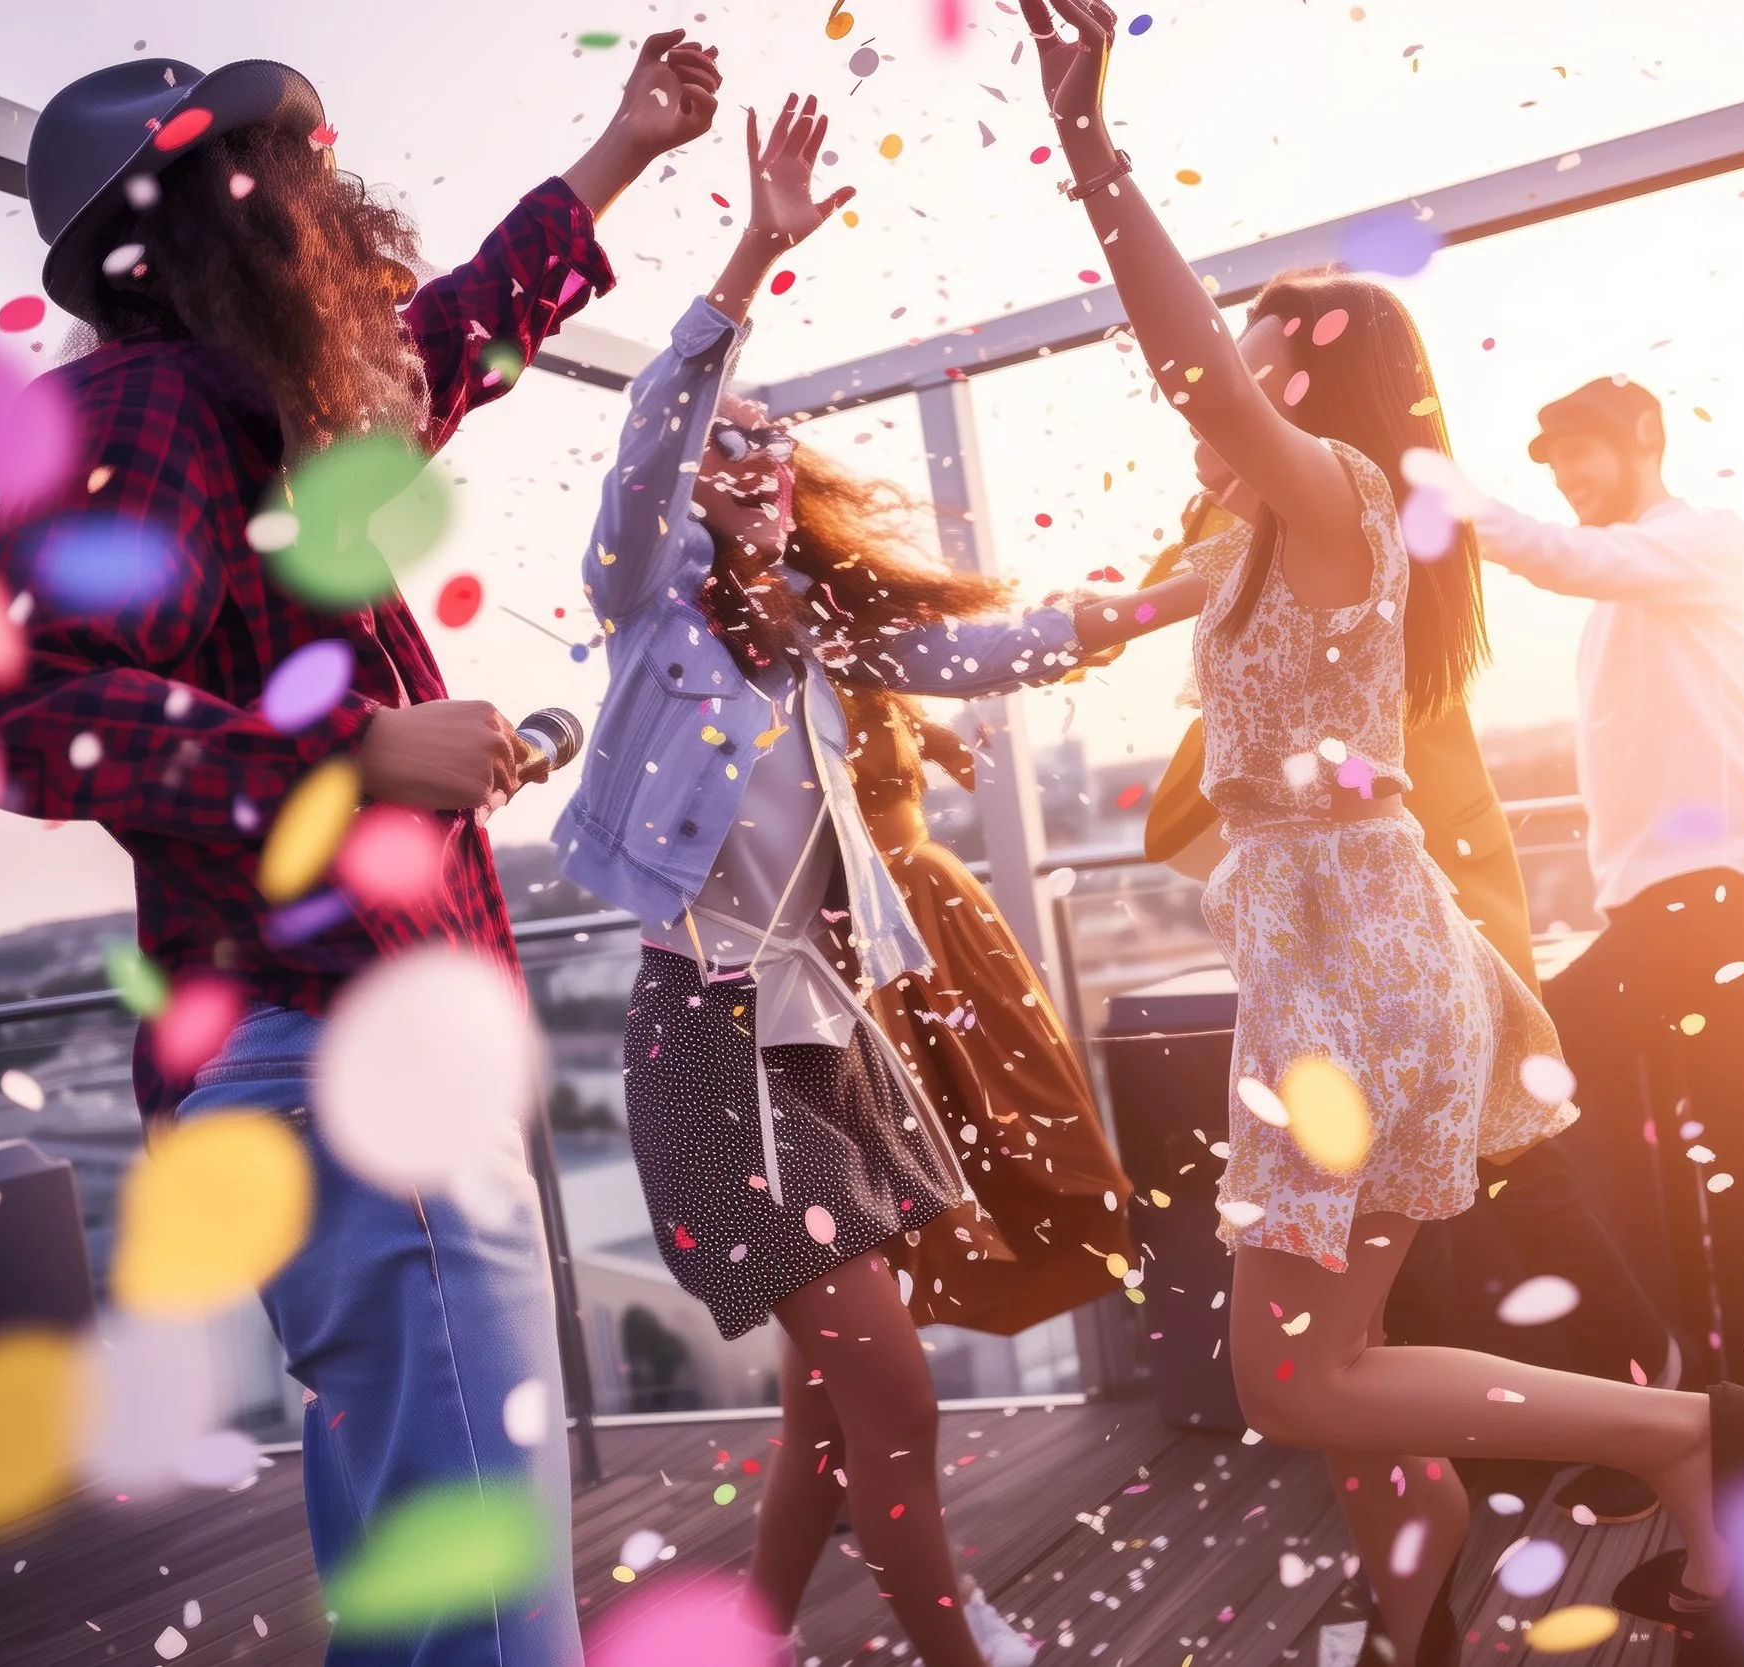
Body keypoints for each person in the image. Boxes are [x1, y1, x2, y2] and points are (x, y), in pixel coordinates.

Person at [0, 34, 722, 1665]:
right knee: (486, 1619)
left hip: (328, 1062)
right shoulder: (142, 406)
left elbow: (452, 340)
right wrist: (353, 758)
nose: (326, 204)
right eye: (282, 175)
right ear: (203, 216)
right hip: (343, 1058)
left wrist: (623, 149)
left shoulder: (243, 415)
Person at [1016, 2, 1744, 1657]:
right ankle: (1447, 1550)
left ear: (1317, 386)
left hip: (1358, 982)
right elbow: (1149, 593)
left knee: (1293, 1380)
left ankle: (1669, 1433)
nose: (1228, 376)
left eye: (1266, 357)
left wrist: (1091, 146)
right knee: (1328, 1367)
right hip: (1347, 972)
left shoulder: (1343, 501)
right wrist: (1079, 618)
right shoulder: (1267, 543)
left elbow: (1184, 365)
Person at [553, 96, 1200, 1667]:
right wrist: (753, 251)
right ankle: (955, 1646)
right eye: (727, 437)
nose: (748, 450)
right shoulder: (650, 610)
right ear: (695, 482)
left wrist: (1146, 605)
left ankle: (754, 1635)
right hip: (707, 1047)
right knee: (890, 1390)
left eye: (769, 431)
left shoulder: (823, 638)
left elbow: (982, 647)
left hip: (826, 1039)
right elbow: (651, 427)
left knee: (830, 1405)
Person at [1140, 498, 1685, 1532]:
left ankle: (1620, 1413)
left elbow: (1209, 807)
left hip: (1400, 940)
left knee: (1486, 1204)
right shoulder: (1353, 540)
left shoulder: (1322, 542)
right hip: (1411, 935)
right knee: (1488, 1200)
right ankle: (1572, 1426)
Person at [1470, 376, 1744, 1363]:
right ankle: (1666, 1369)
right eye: (1553, 459)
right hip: (1654, 912)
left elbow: (1567, 559)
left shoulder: (1706, 540)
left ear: (1646, 435)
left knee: (1501, 1098)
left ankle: (1637, 1362)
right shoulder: (1629, 586)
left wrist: (1441, 499)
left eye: (1582, 451)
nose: (1566, 474)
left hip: (1709, 903)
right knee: (1539, 1113)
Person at [840, 682, 1139, 1338]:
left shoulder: (855, 654)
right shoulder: (764, 674)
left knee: (1011, 1116)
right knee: (889, 1146)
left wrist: (941, 731)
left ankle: (847, 1414)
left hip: (928, 909)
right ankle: (846, 1407)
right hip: (860, 927)